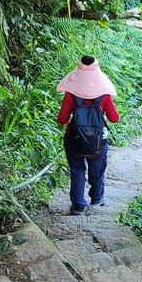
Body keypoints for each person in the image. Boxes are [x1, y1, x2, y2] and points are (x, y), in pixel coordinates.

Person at [56, 54, 119, 215]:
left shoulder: (70, 94)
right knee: (97, 168)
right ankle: (97, 198)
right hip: (98, 139)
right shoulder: (104, 94)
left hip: (75, 138)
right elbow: (114, 118)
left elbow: (62, 119)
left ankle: (78, 205)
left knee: (77, 169)